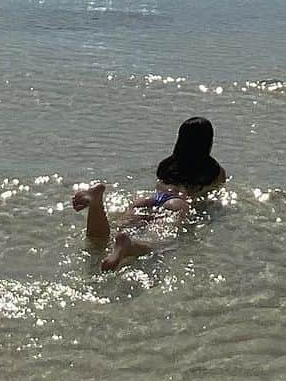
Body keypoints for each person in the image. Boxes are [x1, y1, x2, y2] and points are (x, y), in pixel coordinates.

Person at [72, 116, 226, 271]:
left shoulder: (166, 165)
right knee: (156, 241)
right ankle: (129, 246)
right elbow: (211, 196)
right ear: (209, 142)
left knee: (110, 234)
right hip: (177, 203)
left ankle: (97, 204)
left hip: (150, 199)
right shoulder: (214, 170)